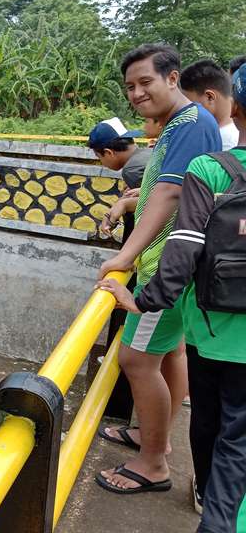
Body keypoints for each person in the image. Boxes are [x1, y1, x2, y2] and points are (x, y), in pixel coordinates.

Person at [97, 65, 246, 533]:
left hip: (164, 274)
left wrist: (131, 269)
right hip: (201, 301)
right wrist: (127, 201)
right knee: (171, 355)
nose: (138, 94)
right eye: (130, 87)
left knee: (136, 358)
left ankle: (154, 462)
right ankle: (152, 435)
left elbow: (170, 197)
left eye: (145, 83)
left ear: (174, 79)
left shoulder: (190, 126)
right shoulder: (188, 126)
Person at [87, 117, 148, 237]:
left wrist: (124, 205)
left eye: (99, 157)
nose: (101, 162)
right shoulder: (147, 153)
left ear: (109, 153)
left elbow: (152, 203)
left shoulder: (132, 170)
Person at [181, 60, 239, 150]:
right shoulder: (236, 133)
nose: (187, 111)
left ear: (210, 97)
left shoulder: (225, 143)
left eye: (191, 105)